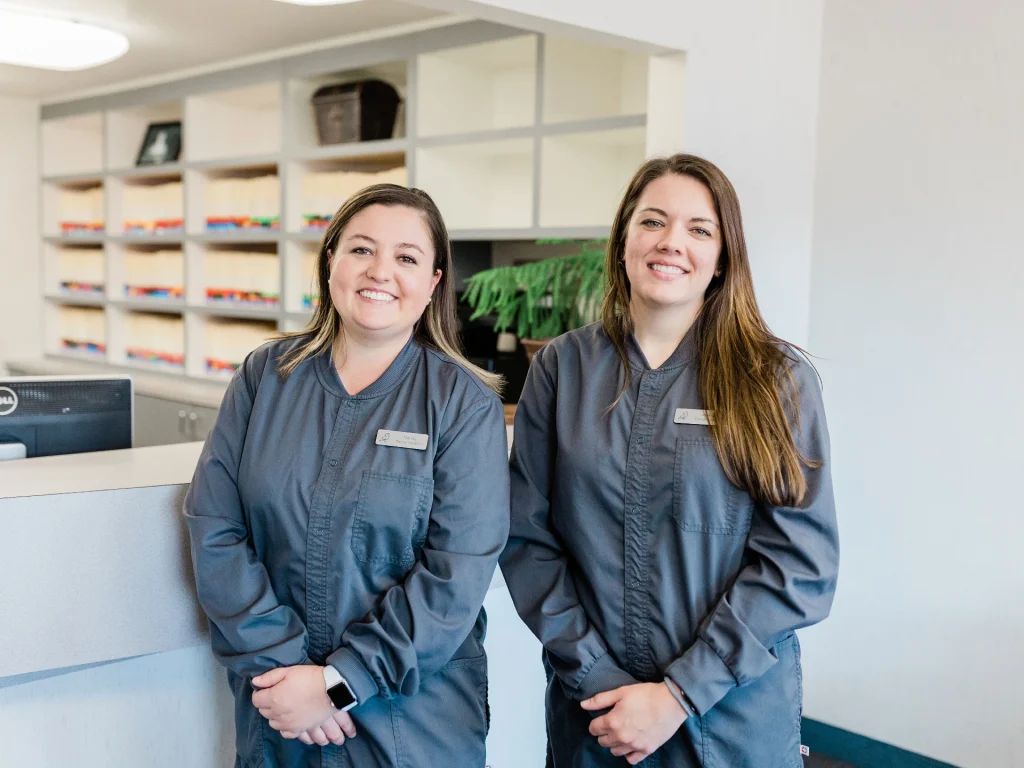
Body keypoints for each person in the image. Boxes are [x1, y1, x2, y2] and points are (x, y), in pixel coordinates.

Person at [500, 154, 839, 767]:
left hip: (731, 718)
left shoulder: (777, 379)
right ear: (624, 238)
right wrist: (600, 679)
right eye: (652, 221)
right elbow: (527, 539)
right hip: (598, 716)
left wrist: (681, 694)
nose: (671, 243)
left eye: (698, 229)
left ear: (723, 256)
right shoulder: (563, 368)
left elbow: (800, 564)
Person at [184, 184, 510, 768]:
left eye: (407, 258)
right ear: (330, 259)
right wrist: (285, 671)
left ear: (434, 281)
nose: (380, 271)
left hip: (412, 722)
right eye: (361, 249)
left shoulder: (464, 404)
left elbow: (456, 574)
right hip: (280, 710)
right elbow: (215, 526)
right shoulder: (266, 377)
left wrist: (339, 683)